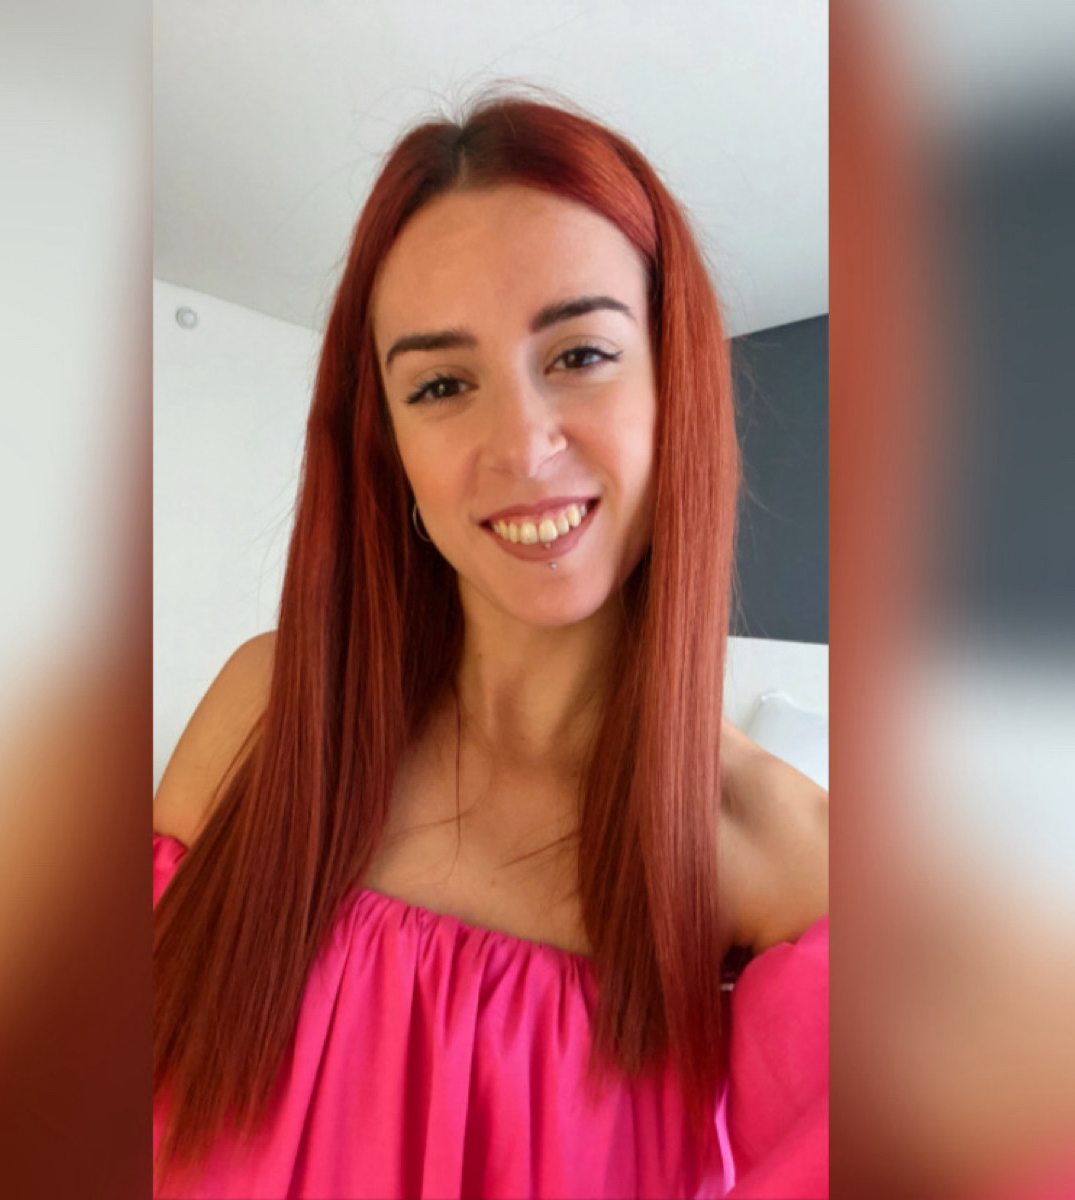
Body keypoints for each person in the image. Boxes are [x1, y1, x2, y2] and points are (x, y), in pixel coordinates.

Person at [153, 93, 828, 1198]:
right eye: (441, 384)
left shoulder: (776, 856)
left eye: (581, 353)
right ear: (389, 449)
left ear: (677, 387)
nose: (521, 445)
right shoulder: (269, 709)